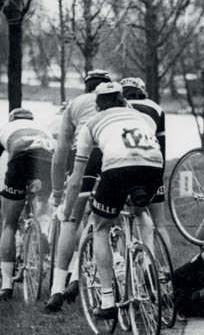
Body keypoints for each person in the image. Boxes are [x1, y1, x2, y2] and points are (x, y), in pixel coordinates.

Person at [59, 82, 165, 320]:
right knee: (141, 213)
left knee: (100, 226)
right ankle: (149, 266)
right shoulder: (140, 116)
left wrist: (67, 212)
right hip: (153, 166)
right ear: (123, 100)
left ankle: (107, 299)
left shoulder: (91, 124)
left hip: (118, 167)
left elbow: (76, 179)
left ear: (98, 106)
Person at [46, 69, 111, 311]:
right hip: (113, 155)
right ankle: (78, 275)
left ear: (87, 87)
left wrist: (58, 191)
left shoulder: (75, 104)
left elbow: (60, 152)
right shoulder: (118, 102)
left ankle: (57, 288)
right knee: (102, 220)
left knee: (70, 219)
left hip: (83, 157)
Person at [0, 109, 55, 300]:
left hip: (20, 158)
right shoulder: (42, 129)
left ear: (11, 119)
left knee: (9, 223)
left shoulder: (6, 128)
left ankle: (6, 285)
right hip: (48, 157)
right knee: (41, 198)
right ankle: (42, 229)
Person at [120, 77, 172, 255]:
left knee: (118, 220)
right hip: (153, 164)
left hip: (125, 164)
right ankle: (167, 271)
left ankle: (123, 265)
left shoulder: (118, 107)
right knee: (159, 223)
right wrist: (159, 177)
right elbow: (162, 145)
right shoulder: (156, 108)